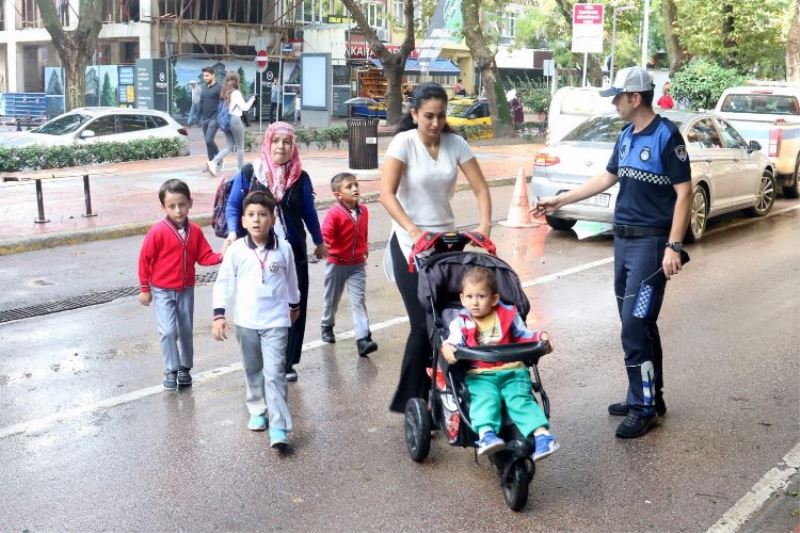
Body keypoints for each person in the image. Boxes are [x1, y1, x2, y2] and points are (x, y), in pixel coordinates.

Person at [532, 66, 692, 439]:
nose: (614, 103)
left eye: (617, 96)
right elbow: (607, 178)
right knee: (637, 324)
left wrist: (674, 246)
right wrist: (561, 199)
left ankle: (644, 407)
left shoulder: (668, 136)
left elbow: (684, 193)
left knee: (636, 325)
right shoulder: (624, 135)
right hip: (623, 243)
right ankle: (648, 395)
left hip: (652, 248)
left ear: (635, 98)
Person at [379, 82, 492, 413]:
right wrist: (413, 231)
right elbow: (386, 194)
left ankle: (447, 393)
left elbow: (481, 188)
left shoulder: (455, 143)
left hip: (447, 243)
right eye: (428, 116)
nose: (435, 123)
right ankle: (411, 400)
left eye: (441, 116)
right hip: (409, 242)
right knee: (423, 323)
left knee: (450, 321)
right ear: (414, 114)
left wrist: (484, 227)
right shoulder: (404, 143)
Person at [223, 121, 329, 382]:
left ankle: (287, 361)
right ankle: (259, 357)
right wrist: (233, 232)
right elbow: (234, 206)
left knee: (294, 303)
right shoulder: (251, 173)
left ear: (294, 146)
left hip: (293, 250)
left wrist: (319, 240)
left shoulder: (301, 177)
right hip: (257, 251)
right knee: (261, 302)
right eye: (276, 141)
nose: (281, 146)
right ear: (267, 143)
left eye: (287, 142)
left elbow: (308, 212)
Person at [441, 266, 559, 460]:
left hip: (512, 371)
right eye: (469, 297)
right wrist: (449, 348)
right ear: (462, 299)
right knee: (484, 400)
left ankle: (543, 437)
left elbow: (524, 336)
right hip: (480, 374)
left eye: (481, 296)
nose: (475, 302)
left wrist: (541, 337)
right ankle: (487, 435)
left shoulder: (507, 315)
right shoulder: (461, 322)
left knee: (521, 400)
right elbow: (453, 340)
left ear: (494, 299)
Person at [212, 191, 300, 451]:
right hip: (246, 321)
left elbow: (292, 282)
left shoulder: (283, 248)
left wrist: (294, 306)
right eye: (251, 215)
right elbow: (224, 283)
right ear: (243, 220)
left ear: (272, 219)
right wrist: (219, 315)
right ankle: (257, 409)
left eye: (262, 215)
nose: (257, 220)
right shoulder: (237, 251)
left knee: (274, 374)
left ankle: (279, 426)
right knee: (253, 370)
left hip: (276, 321)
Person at [138, 179, 223, 390]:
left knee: (185, 329)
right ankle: (171, 368)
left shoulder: (195, 231)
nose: (178, 210)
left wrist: (223, 255)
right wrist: (144, 288)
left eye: (182, 204)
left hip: (186, 290)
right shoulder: (157, 231)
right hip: (162, 290)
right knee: (167, 331)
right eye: (172, 206)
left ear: (190, 203)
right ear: (163, 207)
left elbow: (204, 257)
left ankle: (185, 367)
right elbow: (144, 259)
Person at [320, 173, 378, 357]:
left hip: (357, 265)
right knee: (332, 299)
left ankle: (363, 339)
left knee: (358, 301)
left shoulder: (364, 211)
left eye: (356, 185)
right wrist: (324, 246)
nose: (355, 189)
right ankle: (327, 325)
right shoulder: (334, 213)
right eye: (349, 186)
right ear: (338, 195)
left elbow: (364, 232)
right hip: (336, 264)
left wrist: (364, 246)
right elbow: (325, 235)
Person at [207, 71, 255, 176]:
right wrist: (252, 99)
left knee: (229, 145)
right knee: (240, 146)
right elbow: (245, 108)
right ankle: (240, 170)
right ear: (237, 81)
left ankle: (213, 162)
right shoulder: (236, 93)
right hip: (235, 120)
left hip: (225, 121)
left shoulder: (224, 92)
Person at [199, 67, 222, 165]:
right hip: (205, 119)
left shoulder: (219, 87)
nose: (205, 78)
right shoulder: (204, 88)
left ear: (213, 75)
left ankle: (219, 158)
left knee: (209, 140)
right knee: (208, 143)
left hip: (215, 118)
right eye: (204, 76)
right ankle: (211, 163)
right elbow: (201, 103)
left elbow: (224, 102)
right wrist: (198, 118)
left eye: (207, 76)